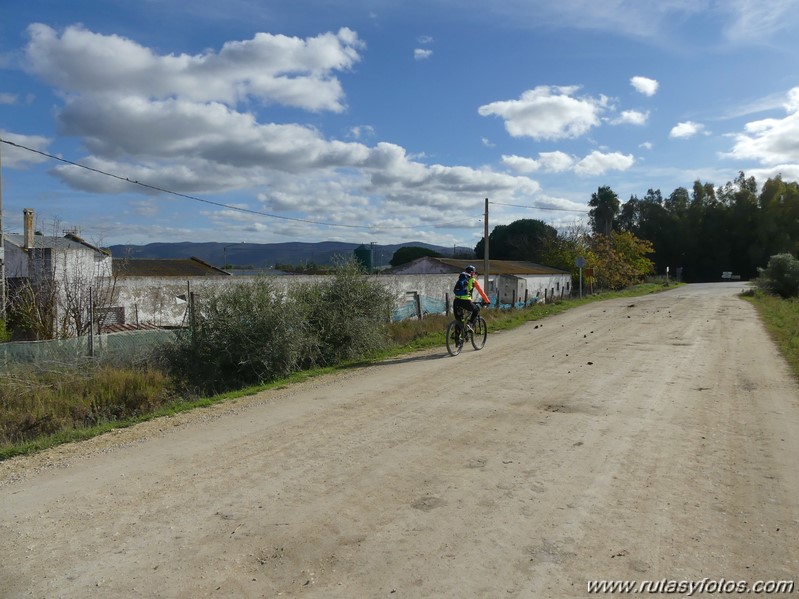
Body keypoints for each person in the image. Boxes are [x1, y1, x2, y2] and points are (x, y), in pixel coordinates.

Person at [452, 265, 490, 332]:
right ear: (472, 273)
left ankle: (457, 339)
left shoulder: (461, 278)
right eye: (474, 273)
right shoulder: (473, 280)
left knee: (459, 320)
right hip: (466, 302)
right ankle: (470, 324)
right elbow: (481, 292)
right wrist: (487, 301)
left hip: (456, 301)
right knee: (477, 309)